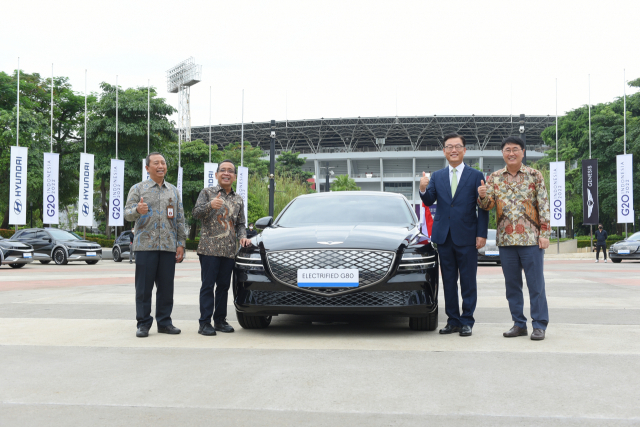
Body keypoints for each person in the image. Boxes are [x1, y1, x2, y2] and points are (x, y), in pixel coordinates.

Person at [478, 136, 550, 341]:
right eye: (507, 150)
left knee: (536, 285)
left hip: (531, 240)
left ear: (523, 152)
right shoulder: (494, 178)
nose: (511, 153)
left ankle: (539, 325)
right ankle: (519, 324)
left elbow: (543, 205)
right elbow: (487, 206)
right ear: (502, 153)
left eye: (515, 149)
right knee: (512, 286)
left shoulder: (534, 175)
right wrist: (482, 196)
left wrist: (545, 234)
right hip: (506, 241)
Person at [419, 132, 489, 337]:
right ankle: (453, 320)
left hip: (468, 236)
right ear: (444, 151)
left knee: (468, 281)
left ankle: (467, 320)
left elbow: (483, 207)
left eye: (457, 146)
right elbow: (429, 201)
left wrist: (481, 234)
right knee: (448, 281)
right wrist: (423, 189)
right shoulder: (438, 176)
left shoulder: (476, 175)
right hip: (444, 237)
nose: (453, 150)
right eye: (449, 146)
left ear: (464, 150)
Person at [124, 152, 186, 338]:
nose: (161, 166)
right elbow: (127, 214)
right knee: (143, 288)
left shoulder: (173, 191)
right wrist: (137, 210)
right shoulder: (138, 189)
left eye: (163, 163)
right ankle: (143, 324)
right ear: (147, 168)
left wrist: (181, 243)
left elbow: (180, 219)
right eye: (156, 163)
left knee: (166, 288)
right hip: (145, 246)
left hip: (168, 246)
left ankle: (165, 323)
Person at [192, 160, 252, 336]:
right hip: (209, 249)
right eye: (223, 170)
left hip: (228, 250)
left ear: (234, 176)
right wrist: (210, 205)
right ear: (217, 174)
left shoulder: (238, 198)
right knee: (208, 286)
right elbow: (195, 213)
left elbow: (241, 224)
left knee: (224, 286)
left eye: (230, 171)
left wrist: (242, 237)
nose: (226, 173)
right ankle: (204, 323)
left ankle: (219, 320)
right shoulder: (207, 193)